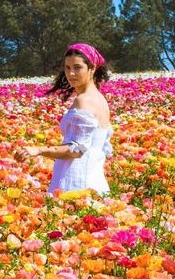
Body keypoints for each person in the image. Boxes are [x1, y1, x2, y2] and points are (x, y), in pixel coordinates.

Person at [15, 43, 113, 195]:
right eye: (67, 67)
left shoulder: (84, 101)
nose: (71, 73)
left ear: (92, 68)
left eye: (77, 67)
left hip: (76, 184)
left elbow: (77, 150)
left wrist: (39, 150)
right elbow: (87, 147)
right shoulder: (99, 100)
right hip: (94, 181)